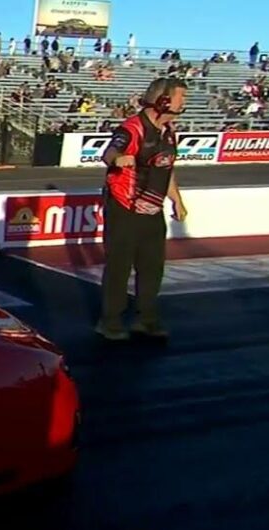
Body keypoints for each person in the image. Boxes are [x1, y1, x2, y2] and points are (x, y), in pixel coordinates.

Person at [96, 77, 189, 341]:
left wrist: (177, 200)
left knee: (152, 267)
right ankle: (110, 321)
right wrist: (118, 159)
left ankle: (145, 319)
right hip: (124, 208)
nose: (185, 102)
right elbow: (109, 152)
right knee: (119, 267)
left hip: (152, 209)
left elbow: (166, 168)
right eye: (181, 97)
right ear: (163, 100)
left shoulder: (169, 131)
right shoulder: (133, 128)